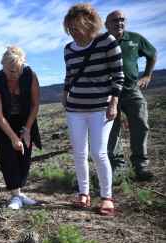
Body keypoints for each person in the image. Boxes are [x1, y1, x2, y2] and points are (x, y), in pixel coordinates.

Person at [62, 3, 124, 216]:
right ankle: (84, 193)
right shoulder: (68, 49)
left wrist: (114, 103)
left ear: (88, 23)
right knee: (79, 154)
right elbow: (69, 75)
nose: (72, 32)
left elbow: (118, 76)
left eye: (75, 27)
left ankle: (107, 197)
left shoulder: (107, 41)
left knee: (98, 153)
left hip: (101, 108)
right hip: (75, 108)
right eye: (69, 28)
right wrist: (64, 95)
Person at [0, 46, 42, 209]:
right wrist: (13, 138)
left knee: (25, 155)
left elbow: (35, 104)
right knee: (8, 155)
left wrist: (27, 129)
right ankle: (15, 196)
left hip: (25, 120)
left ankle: (19, 194)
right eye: (11, 71)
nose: (15, 75)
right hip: (2, 124)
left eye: (18, 70)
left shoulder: (30, 75)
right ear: (2, 66)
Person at [105, 10, 157, 181]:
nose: (119, 23)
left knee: (141, 124)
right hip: (109, 93)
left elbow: (152, 54)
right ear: (106, 25)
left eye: (122, 20)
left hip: (131, 89)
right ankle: (117, 167)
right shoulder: (102, 42)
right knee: (112, 130)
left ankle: (140, 166)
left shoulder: (135, 39)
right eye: (114, 20)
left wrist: (147, 75)